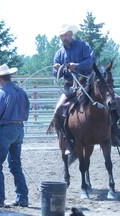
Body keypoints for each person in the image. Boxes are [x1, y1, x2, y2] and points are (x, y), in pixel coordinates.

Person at [0, 64, 30, 208]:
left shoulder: (1, 93)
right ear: (10, 76)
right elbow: (27, 109)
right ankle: (22, 197)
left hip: (6, 129)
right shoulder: (21, 92)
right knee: (16, 165)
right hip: (19, 128)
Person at [52, 24, 94, 155]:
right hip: (70, 87)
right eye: (61, 36)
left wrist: (75, 66)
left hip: (88, 83)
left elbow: (91, 61)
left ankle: (114, 132)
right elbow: (54, 73)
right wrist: (58, 68)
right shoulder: (59, 53)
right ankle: (66, 139)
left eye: (66, 35)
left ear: (71, 34)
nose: (64, 38)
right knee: (58, 109)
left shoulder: (83, 46)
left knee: (112, 99)